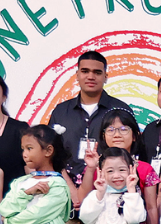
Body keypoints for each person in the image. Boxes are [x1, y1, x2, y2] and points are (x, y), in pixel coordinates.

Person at [48, 51, 135, 179]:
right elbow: (49, 151)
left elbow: (131, 152)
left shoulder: (121, 109)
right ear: (77, 75)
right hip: (65, 184)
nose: (91, 76)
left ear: (105, 77)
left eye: (97, 72)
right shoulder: (61, 111)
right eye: (85, 71)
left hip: (109, 183)